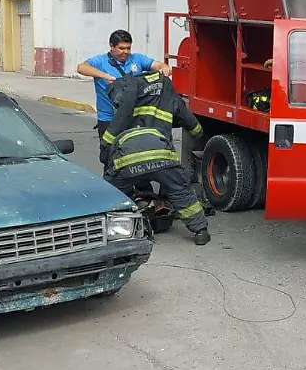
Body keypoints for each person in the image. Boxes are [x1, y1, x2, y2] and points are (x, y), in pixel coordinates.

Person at [101, 71, 211, 246]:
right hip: (162, 153)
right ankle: (201, 231)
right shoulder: (167, 90)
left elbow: (114, 131)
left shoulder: (126, 91)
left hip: (129, 158)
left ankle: (120, 229)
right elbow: (187, 118)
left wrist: (106, 154)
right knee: (180, 191)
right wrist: (198, 132)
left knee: (114, 192)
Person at [76, 30, 172, 162]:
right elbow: (81, 68)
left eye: (128, 48)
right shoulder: (101, 61)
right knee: (110, 157)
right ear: (111, 46)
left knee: (135, 156)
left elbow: (158, 65)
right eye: (121, 48)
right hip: (108, 119)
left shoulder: (137, 59)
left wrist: (164, 67)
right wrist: (105, 76)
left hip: (133, 119)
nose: (125, 52)